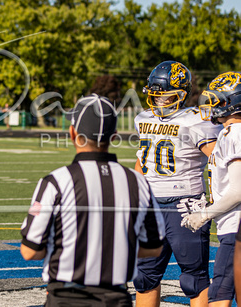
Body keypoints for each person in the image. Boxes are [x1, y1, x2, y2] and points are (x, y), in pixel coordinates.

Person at [20, 93, 165, 307]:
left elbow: (30, 250)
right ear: (114, 136)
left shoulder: (56, 181)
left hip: (66, 298)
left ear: (72, 132)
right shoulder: (137, 182)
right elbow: (153, 247)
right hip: (116, 299)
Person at [133, 60, 221, 307]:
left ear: (182, 94)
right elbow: (142, 160)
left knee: (193, 279)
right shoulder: (142, 118)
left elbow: (219, 159)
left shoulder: (196, 120)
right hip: (151, 204)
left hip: (185, 203)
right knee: (144, 277)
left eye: (167, 97)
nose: (160, 102)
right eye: (156, 96)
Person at [181, 72, 241, 306]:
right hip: (232, 224)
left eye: (218, 101)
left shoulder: (234, 134)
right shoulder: (230, 133)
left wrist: (205, 214)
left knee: (219, 296)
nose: (212, 107)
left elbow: (237, 191)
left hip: (235, 228)